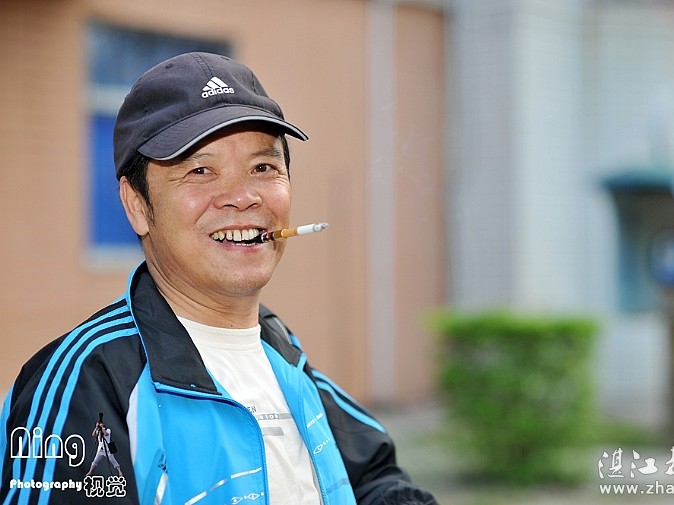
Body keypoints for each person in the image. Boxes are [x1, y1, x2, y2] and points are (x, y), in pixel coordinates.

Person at [0, 52, 438, 504]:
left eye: (263, 168)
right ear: (136, 204)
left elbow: (376, 479)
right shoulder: (86, 381)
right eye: (200, 171)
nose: (243, 197)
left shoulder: (280, 351)